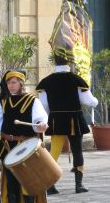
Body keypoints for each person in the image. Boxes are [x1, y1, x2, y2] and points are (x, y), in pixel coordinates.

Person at [36, 55, 98, 195]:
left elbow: (44, 105)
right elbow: (89, 100)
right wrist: (96, 102)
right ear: (69, 62)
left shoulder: (46, 81)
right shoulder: (76, 79)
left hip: (56, 119)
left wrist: (49, 116)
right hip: (73, 119)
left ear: (54, 62)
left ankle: (50, 186)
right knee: (77, 150)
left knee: (54, 152)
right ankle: (79, 185)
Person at [0, 71, 48, 203]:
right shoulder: (3, 102)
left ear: (21, 84)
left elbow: (40, 119)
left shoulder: (32, 101)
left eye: (14, 82)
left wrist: (41, 125)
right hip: (7, 145)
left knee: (27, 179)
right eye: (9, 83)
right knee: (11, 179)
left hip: (26, 145)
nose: (11, 85)